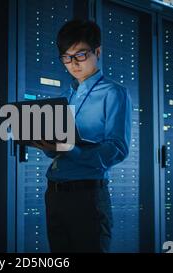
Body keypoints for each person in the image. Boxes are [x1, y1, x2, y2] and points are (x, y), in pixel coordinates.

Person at [32, 19, 132, 253]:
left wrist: (70, 149)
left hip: (87, 197)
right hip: (55, 195)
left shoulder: (114, 93)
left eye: (80, 55)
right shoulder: (66, 97)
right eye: (66, 57)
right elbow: (59, 148)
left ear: (97, 52)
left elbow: (117, 149)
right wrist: (47, 145)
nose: (73, 64)